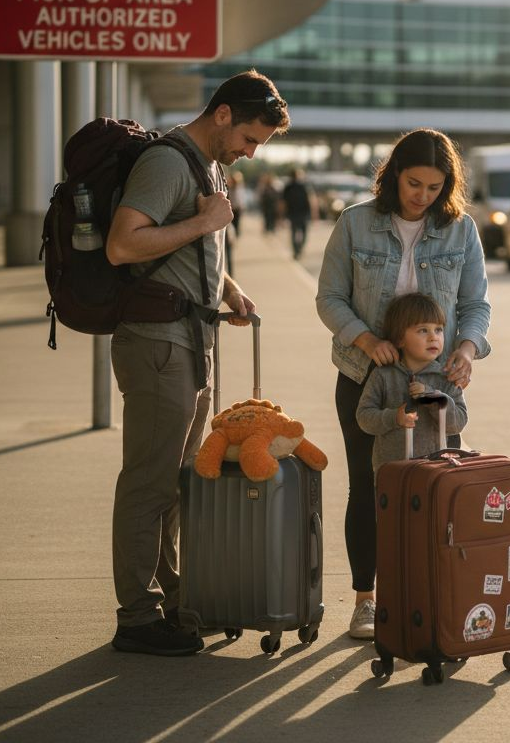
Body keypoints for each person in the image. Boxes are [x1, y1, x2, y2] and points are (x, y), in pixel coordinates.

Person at [104, 69, 290, 657]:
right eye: (250, 139)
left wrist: (227, 289)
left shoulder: (207, 167)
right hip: (156, 342)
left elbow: (186, 243)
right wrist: (207, 223)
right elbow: (123, 244)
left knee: (180, 483)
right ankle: (137, 617)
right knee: (149, 481)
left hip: (190, 338)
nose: (250, 152)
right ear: (224, 114)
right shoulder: (167, 162)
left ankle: (173, 598)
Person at [316, 128, 491, 640]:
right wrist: (368, 342)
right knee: (370, 490)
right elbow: (330, 299)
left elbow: (477, 304)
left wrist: (467, 348)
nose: (422, 196)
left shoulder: (461, 231)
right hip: (365, 377)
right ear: (394, 175)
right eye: (414, 183)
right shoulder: (355, 224)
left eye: (434, 187)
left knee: (438, 489)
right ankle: (367, 602)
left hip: (437, 386)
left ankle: (433, 591)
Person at [356, 293, 468, 472]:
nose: (433, 337)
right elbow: (364, 418)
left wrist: (435, 399)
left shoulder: (446, 377)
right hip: (392, 473)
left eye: (438, 329)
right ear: (400, 339)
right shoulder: (383, 375)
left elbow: (458, 423)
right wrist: (394, 418)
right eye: (423, 330)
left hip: (435, 471)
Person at [281, 167, 317, 259]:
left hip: (297, 213)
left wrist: (281, 215)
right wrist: (314, 213)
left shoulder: (290, 187)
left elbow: (282, 203)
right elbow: (311, 200)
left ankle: (297, 250)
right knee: (301, 233)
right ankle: (298, 249)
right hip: (300, 213)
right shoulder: (303, 186)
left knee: (296, 233)